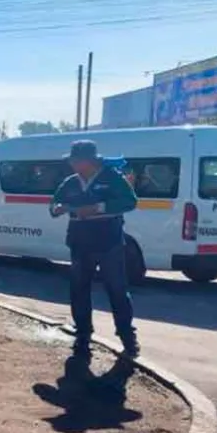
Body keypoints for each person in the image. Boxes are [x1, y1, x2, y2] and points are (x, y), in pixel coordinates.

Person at [50, 140, 139, 358]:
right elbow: (53, 205)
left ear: (89, 161)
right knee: (79, 289)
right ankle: (82, 334)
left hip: (109, 243)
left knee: (117, 290)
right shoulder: (70, 183)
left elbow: (130, 202)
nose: (72, 164)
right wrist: (58, 208)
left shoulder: (112, 178)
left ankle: (128, 338)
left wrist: (98, 208)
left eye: (76, 160)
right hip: (80, 244)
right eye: (71, 161)